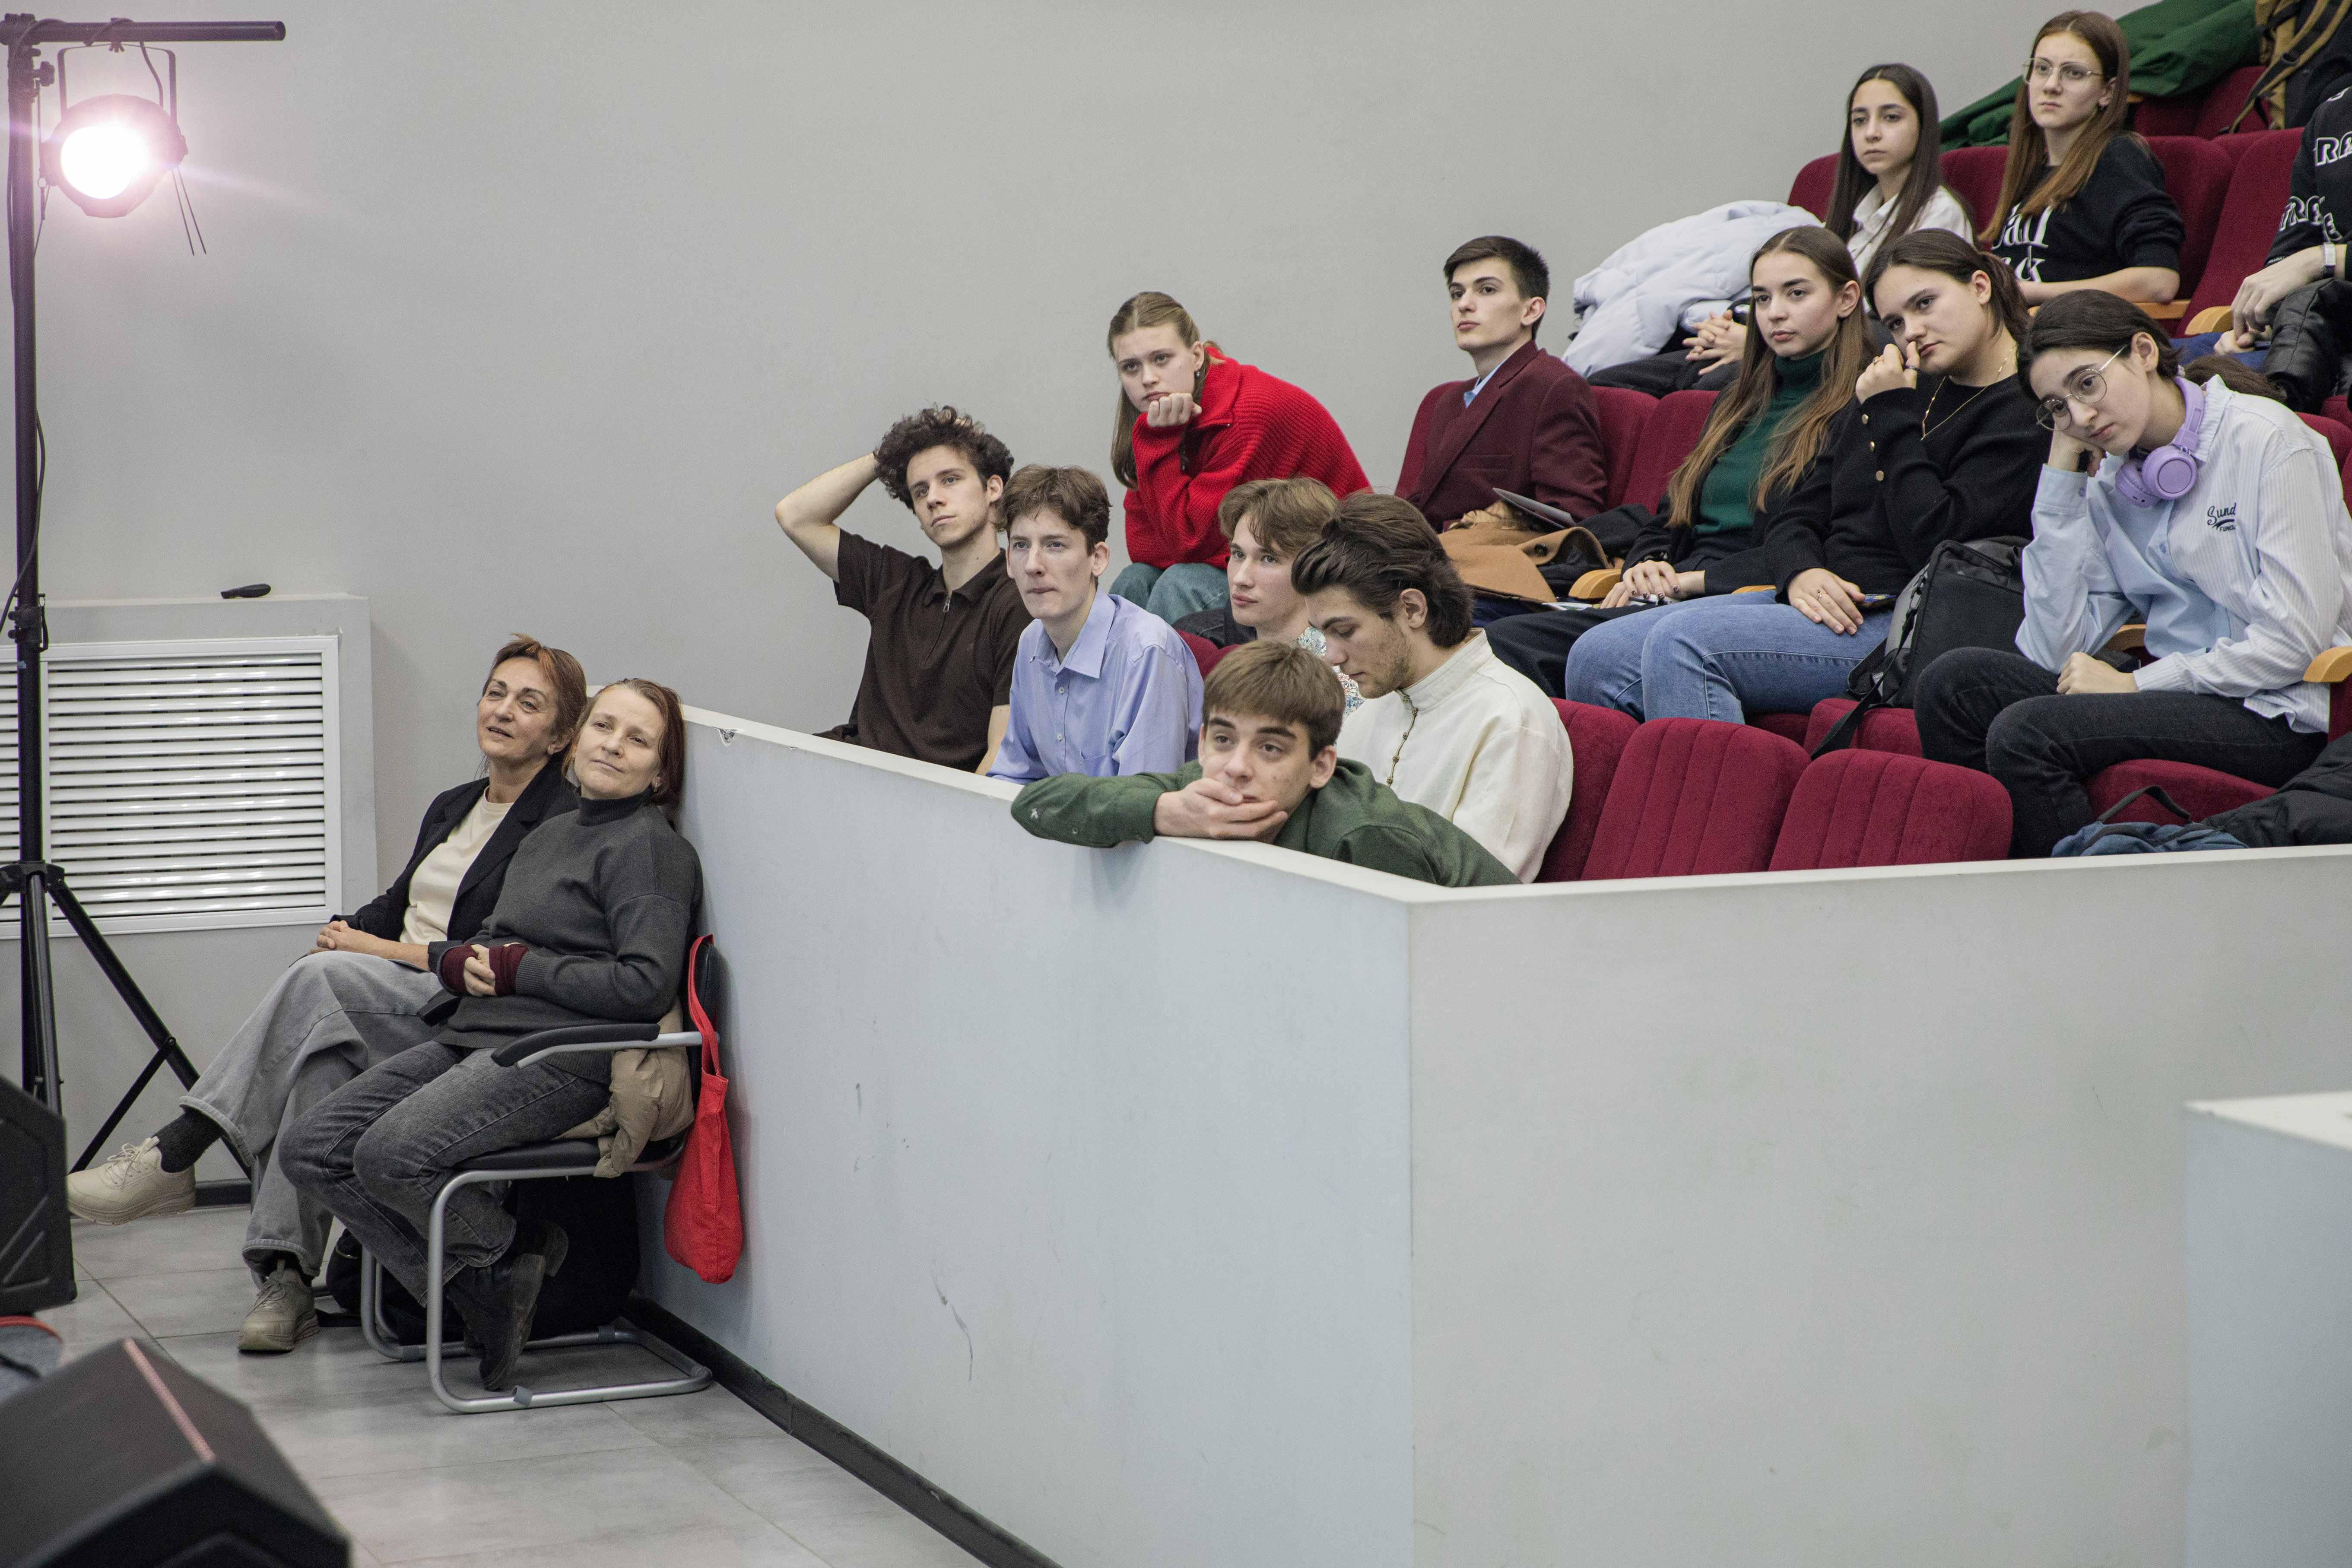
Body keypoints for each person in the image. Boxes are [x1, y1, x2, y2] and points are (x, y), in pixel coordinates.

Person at [65, 637, 588, 1354]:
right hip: (387, 997)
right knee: (320, 1060)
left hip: (462, 1013)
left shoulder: (558, 822)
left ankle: (177, 1152)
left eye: (529, 703)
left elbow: (493, 955)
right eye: (496, 692)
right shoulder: (455, 805)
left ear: (558, 735)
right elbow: (399, 905)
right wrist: (346, 932)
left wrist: (363, 954)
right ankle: (285, 1277)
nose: (503, 710)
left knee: (320, 987)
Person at [281, 679, 702, 1391]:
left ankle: (500, 1269)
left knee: (389, 1155)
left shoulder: (650, 850)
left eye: (638, 740)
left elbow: (644, 985)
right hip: (475, 1034)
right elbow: (496, 938)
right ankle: (498, 1274)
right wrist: (458, 960)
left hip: (562, 1057)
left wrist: (519, 970)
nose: (613, 746)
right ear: (578, 739)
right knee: (312, 1149)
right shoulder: (552, 835)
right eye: (604, 726)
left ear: (660, 773)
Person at [1915, 292, 2352, 857]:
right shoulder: (2114, 480)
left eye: (2087, 384)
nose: (2080, 417)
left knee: (2026, 733)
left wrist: (2136, 684)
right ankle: (1999, 877)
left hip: (2277, 710)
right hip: (2180, 697)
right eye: (2057, 407)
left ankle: (2082, 899)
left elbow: (2294, 644)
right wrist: (2060, 481)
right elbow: (2052, 650)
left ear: (2144, 352)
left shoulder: (2270, 441)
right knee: (1954, 685)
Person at [1571, 231, 2044, 724]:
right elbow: (1797, 511)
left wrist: (1891, 415)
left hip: (1910, 619)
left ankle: (1719, 778)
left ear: (1980, 288)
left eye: (1925, 303)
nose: (1913, 331)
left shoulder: (2022, 408)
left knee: (1682, 644)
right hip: (1828, 598)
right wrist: (1801, 570)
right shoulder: (1899, 385)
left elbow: (1936, 538)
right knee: (1597, 656)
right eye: (1896, 322)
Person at [1492, 226, 1876, 698]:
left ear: (1846, 299)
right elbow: (1667, 516)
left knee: (1515, 646)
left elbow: (1824, 545)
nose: (1775, 312)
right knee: (1494, 634)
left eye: (1796, 294)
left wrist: (1693, 582)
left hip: (1748, 596)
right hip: (1678, 588)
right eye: (1761, 298)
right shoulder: (1737, 400)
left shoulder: (1861, 404)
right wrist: (1646, 564)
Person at [1009, 641, 1517, 886]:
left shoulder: (1365, 837)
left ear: (1321, 765)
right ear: (1202, 743)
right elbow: (1037, 804)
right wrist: (1163, 812)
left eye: (1270, 748)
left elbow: (1413, 976)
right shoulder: (1199, 789)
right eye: (1223, 739)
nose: (1237, 767)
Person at [1590, 65, 1966, 395]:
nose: (1871, 133)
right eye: (1859, 120)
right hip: (1780, 343)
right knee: (1604, 384)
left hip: (1839, 357)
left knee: (1704, 391)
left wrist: (1754, 343)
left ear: (1923, 126)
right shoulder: (1849, 217)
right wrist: (1729, 328)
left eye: (1890, 118)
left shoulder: (1937, 213)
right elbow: (1788, 292)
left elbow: (1892, 327)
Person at [1291, 492, 1571, 881]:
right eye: (1323, 634)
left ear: (1412, 609)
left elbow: (1480, 895)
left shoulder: (1511, 720)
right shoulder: (1371, 706)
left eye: (1344, 631)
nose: (1332, 656)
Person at [772, 406, 1030, 772]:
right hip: (846, 773)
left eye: (950, 480)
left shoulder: (1018, 601)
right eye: (920, 490)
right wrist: (886, 457)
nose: (933, 498)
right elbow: (795, 516)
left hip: (927, 797)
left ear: (992, 488)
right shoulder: (896, 581)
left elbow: (1000, 756)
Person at [1106, 291, 1370, 622]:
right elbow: (1144, 547)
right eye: (1131, 367)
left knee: (1182, 585)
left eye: (1161, 359)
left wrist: (1158, 443)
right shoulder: (1160, 420)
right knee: (1134, 580)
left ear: (1196, 356)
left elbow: (1188, 545)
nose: (1147, 378)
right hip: (1261, 561)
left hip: (1337, 569)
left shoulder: (1243, 413)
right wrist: (1159, 440)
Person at [987, 464, 1203, 783]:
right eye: (1021, 545)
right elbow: (1016, 776)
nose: (1032, 565)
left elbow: (1142, 803)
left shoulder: (1146, 650)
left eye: (1055, 545)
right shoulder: (1031, 640)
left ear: (1098, 559)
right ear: (1008, 562)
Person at [1395, 236, 1608, 527]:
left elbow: (1571, 517)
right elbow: (1422, 507)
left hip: (1486, 553)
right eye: (1457, 294)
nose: (1464, 305)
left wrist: (1478, 526)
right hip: (1427, 550)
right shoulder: (1448, 401)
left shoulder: (1554, 388)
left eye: (1487, 290)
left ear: (1530, 311)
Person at [1983, 11, 2184, 307]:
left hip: (2069, 328)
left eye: (2073, 73)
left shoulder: (2119, 158)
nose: (2051, 85)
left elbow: (2159, 280)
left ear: (2107, 92)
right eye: (2042, 69)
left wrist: (2035, 294)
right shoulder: (2031, 168)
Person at [1170, 477, 1361, 711]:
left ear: (1313, 568)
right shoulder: (1245, 666)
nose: (1241, 578)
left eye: (1269, 559)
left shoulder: (1340, 678)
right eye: (1238, 555)